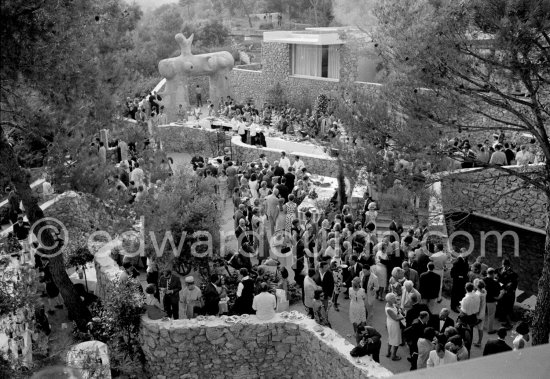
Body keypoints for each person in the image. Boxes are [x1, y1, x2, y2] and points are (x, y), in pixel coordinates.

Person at [496, 258, 518, 329]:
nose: (504, 267)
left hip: (509, 293)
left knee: (508, 307)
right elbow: (498, 279)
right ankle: (501, 317)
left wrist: (508, 288)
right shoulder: (499, 270)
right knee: (501, 304)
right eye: (503, 265)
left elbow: (513, 284)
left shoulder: (512, 274)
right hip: (501, 290)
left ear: (508, 265)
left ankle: (508, 323)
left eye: (505, 265)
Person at [385, 293, 404, 361]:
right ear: (390, 300)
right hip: (393, 324)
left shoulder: (390, 304)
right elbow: (396, 318)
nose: (395, 299)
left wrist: (398, 309)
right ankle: (394, 355)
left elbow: (395, 308)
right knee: (396, 340)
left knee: (390, 337)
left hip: (390, 323)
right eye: (393, 298)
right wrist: (403, 317)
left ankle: (388, 352)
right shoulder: (389, 309)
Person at [484, 267, 501, 334]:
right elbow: (496, 293)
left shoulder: (483, 280)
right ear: (493, 274)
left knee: (481, 314)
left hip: (483, 299)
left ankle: (480, 326)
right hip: (491, 301)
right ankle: (490, 330)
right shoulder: (494, 282)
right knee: (490, 315)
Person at [473, 279, 487, 347]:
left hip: (478, 314)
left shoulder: (478, 294)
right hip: (483, 312)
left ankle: (472, 340)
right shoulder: (484, 291)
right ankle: (479, 342)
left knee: (471, 326)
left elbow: (478, 306)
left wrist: (476, 313)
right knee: (480, 328)